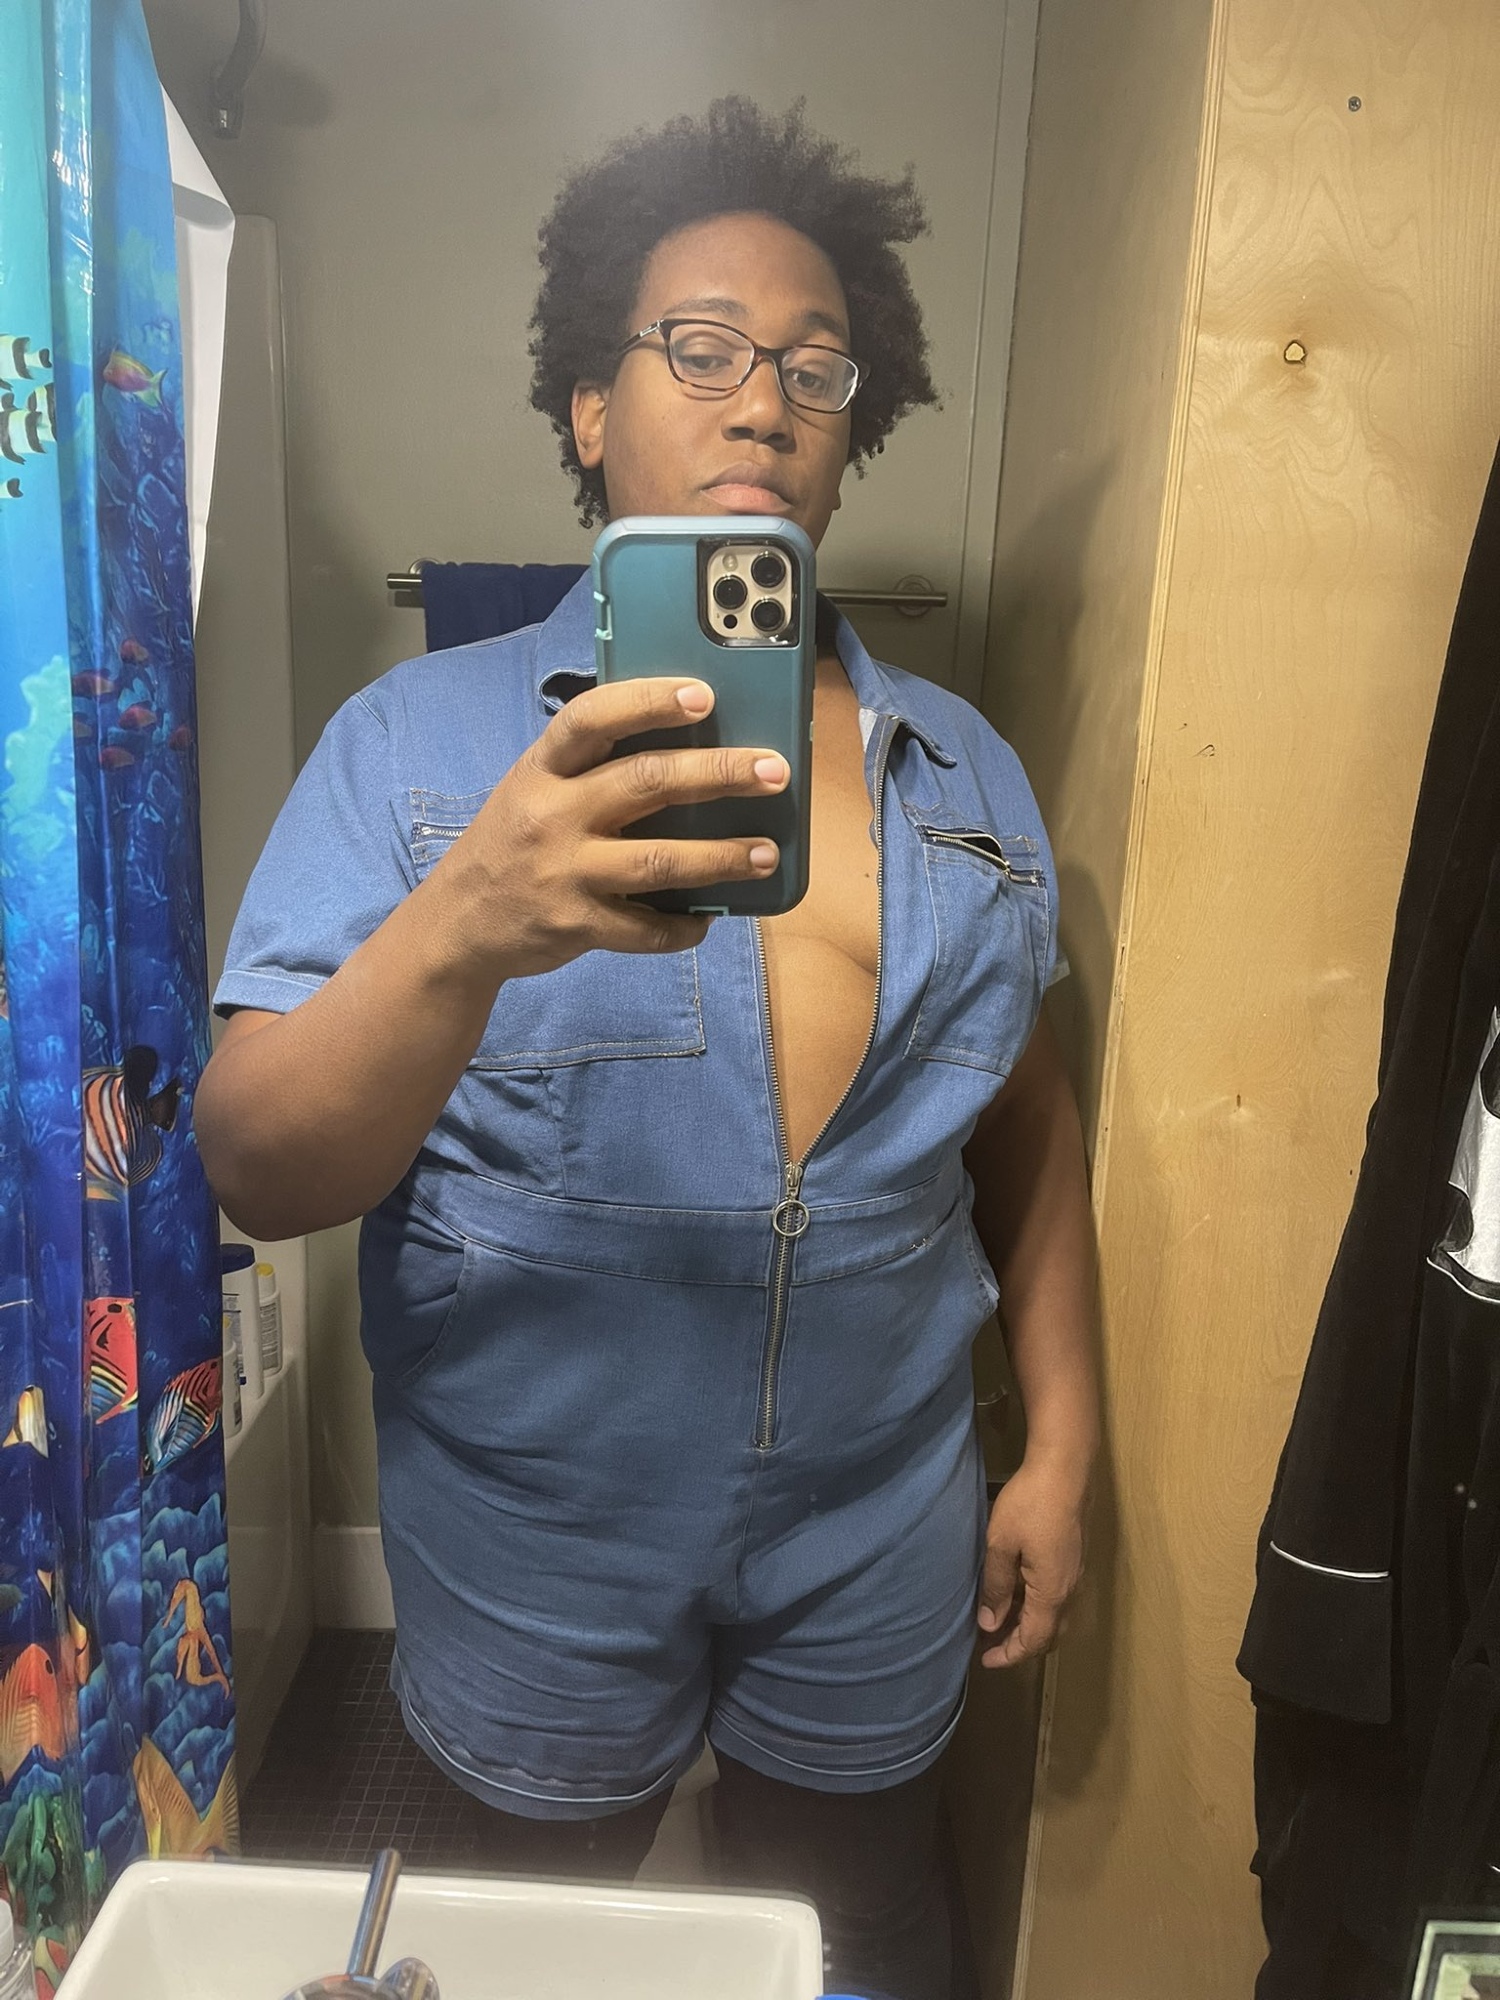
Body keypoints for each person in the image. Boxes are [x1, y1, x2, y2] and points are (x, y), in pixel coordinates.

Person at [197, 98, 1099, 2000]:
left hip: (880, 1517)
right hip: (535, 1530)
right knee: (531, 1942)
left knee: (860, 1926)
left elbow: (1023, 1123)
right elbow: (259, 1165)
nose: (763, 402)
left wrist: (1062, 1448)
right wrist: (467, 921)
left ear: (851, 429)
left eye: (815, 368)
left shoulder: (969, 775)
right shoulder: (417, 750)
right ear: (591, 410)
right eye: (700, 350)